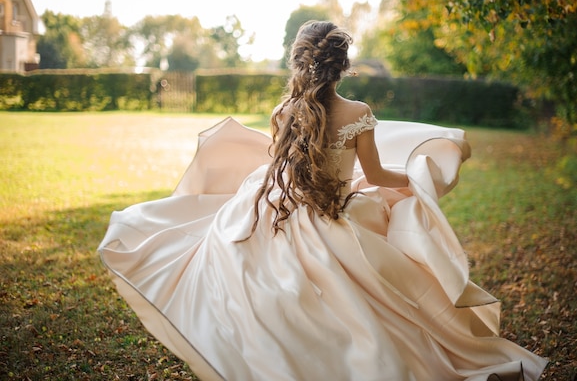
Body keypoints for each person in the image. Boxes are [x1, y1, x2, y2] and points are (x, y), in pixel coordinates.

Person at [99, 21, 547, 380]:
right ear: (342, 66)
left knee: (252, 272)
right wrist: (414, 180)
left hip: (280, 206)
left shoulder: (283, 112)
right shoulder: (358, 114)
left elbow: (282, 164)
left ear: (299, 63)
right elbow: (373, 175)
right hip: (334, 210)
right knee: (371, 285)